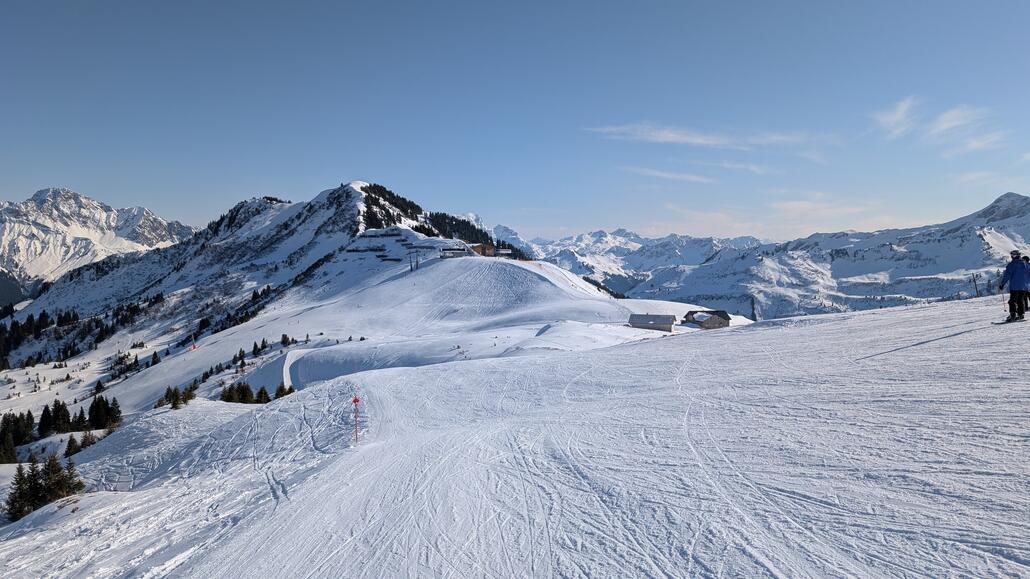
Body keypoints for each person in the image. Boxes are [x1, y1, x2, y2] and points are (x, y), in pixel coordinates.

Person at [999, 250, 1030, 321]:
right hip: (1024, 287)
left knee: (1012, 301)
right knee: (1020, 300)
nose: (1011, 256)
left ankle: (1013, 314)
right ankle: (1021, 314)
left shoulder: (1012, 265)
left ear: (1015, 255)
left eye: (1012, 255)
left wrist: (1002, 284)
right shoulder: (1026, 264)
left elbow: (1007, 275)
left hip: (1015, 286)